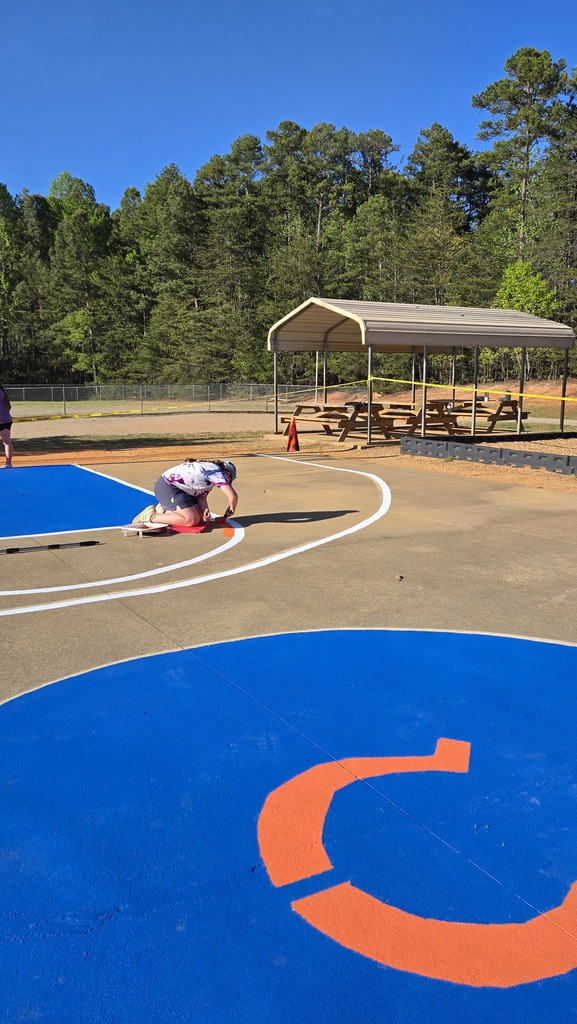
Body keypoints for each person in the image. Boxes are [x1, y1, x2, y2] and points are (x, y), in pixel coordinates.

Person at [132, 459, 238, 528]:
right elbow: (233, 496)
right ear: (227, 474)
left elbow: (202, 496)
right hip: (168, 486)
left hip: (181, 490)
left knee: (201, 519)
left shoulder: (211, 473)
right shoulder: (215, 472)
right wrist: (231, 509)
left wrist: (205, 509)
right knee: (190, 520)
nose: (227, 483)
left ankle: (166, 510)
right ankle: (151, 517)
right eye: (228, 480)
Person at [0, 384, 13, 468]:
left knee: (7, 442)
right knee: (7, 442)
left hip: (3, 421)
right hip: (5, 420)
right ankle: (8, 463)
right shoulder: (2, 391)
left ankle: (8, 463)